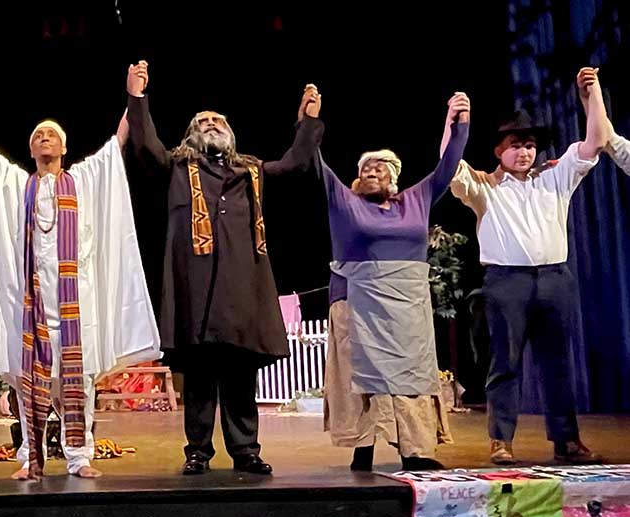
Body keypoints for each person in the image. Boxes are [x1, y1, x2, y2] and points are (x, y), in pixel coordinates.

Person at [0, 63, 160, 480]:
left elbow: (117, 145)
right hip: (31, 304)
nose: (43, 139)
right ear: (31, 150)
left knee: (78, 383)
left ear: (63, 148)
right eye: (37, 136)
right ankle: (30, 456)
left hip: (75, 305)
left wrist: (134, 95)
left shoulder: (82, 179)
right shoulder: (16, 184)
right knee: (28, 384)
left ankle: (80, 458)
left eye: (51, 135)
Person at [124, 61, 322, 476]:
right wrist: (137, 97)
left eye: (218, 120)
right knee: (198, 377)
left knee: (238, 375)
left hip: (240, 290)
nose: (211, 123)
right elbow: (145, 147)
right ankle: (197, 451)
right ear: (192, 132)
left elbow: (295, 164)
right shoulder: (178, 167)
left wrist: (307, 122)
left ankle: (246, 450)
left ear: (229, 131)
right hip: (195, 290)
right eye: (204, 120)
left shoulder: (250, 171)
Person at [449, 67, 612, 465]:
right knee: (504, 364)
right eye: (514, 145)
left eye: (529, 145)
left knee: (558, 363)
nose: (524, 151)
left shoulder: (554, 176)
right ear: (498, 150)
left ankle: (567, 440)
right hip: (507, 281)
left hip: (555, 278)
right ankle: (501, 441)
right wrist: (454, 124)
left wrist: (592, 97)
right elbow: (449, 167)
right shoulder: (483, 185)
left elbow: (595, 143)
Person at [321, 93, 471, 472]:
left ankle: (415, 449)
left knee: (410, 372)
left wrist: (458, 123)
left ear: (394, 178)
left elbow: (448, 166)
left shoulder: (415, 200)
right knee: (362, 373)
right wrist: (310, 122)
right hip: (356, 300)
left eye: (380, 170)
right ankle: (363, 448)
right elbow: (313, 163)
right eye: (366, 169)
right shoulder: (345, 202)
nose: (371, 173)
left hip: (407, 303)